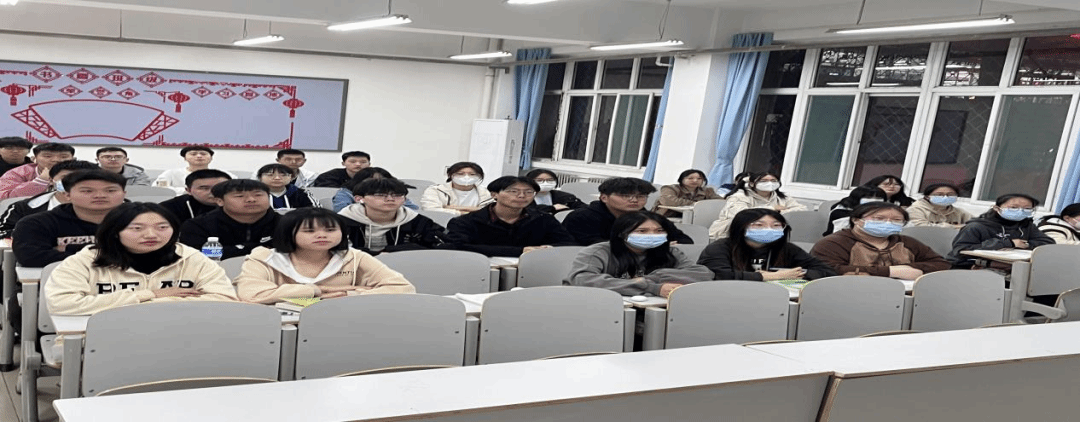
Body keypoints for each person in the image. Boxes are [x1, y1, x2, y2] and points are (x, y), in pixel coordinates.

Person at [45, 202, 239, 316]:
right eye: (137, 228)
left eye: (162, 227)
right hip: (104, 336)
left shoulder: (192, 258)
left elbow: (224, 299)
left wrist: (153, 302)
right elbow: (62, 303)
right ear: (115, 232)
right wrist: (149, 294)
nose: (151, 235)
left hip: (180, 332)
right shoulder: (85, 260)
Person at [234, 207, 415, 304]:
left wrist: (350, 294)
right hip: (278, 325)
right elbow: (251, 295)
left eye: (330, 230)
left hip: (343, 320)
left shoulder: (354, 256)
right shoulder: (263, 257)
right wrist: (318, 291)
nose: (322, 236)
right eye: (309, 231)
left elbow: (403, 288)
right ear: (288, 234)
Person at [564, 211, 714, 297]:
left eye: (659, 231)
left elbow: (703, 274)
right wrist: (651, 287)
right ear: (622, 233)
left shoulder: (670, 251)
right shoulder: (597, 252)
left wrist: (654, 278)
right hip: (598, 305)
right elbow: (583, 279)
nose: (652, 235)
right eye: (642, 231)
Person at [12, 170, 127, 267]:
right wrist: (117, 255)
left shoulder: (136, 220)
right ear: (67, 195)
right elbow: (30, 257)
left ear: (124, 194)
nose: (100, 195)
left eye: (110, 190)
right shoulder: (36, 223)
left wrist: (67, 249)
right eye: (87, 191)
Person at [444, 176, 577, 257]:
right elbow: (458, 246)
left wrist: (547, 249)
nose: (522, 196)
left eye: (529, 192)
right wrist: (520, 251)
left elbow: (569, 244)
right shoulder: (466, 221)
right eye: (513, 191)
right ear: (494, 194)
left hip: (532, 269)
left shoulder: (543, 219)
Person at [810, 202, 951, 279]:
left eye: (896, 220)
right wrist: (890, 271)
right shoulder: (833, 243)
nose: (888, 223)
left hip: (904, 294)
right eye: (879, 219)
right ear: (856, 220)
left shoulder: (907, 242)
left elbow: (941, 264)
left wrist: (910, 269)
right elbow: (825, 270)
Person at [698, 208, 837, 281]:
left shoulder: (787, 249)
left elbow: (828, 272)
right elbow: (717, 275)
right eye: (759, 225)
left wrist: (797, 273)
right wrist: (770, 276)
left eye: (776, 225)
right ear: (741, 227)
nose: (769, 229)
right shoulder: (719, 248)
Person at [562, 177, 693, 246]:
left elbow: (685, 240)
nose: (634, 200)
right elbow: (593, 245)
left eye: (641, 196)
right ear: (604, 197)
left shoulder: (652, 218)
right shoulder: (581, 217)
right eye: (625, 196)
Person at [339, 178, 446, 255]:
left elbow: (440, 247)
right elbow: (337, 251)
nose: (390, 199)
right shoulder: (340, 221)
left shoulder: (418, 221)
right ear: (359, 199)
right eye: (380, 195)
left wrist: (391, 252)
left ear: (405, 199)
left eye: (397, 195)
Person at [179, 179, 280, 260]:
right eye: (239, 196)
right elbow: (197, 257)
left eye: (258, 195)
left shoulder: (285, 223)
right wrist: (262, 248)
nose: (251, 199)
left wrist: (230, 250)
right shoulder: (197, 226)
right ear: (219, 201)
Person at [947, 194, 1055, 269]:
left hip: (1011, 265)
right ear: (997, 208)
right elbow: (961, 249)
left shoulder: (1026, 225)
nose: (1020, 211)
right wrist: (1009, 243)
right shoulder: (976, 226)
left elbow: (1048, 242)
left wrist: (1026, 244)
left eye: (1027, 208)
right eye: (1014, 207)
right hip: (968, 266)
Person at [0, 160, 98, 238]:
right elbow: (3, 232)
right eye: (66, 177)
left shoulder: (105, 207)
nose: (74, 182)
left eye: (83, 178)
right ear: (51, 180)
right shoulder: (24, 207)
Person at [709, 172, 807, 239]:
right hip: (734, 232)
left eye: (773, 180)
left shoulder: (781, 197)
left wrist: (780, 212)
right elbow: (741, 214)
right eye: (764, 181)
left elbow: (802, 209)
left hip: (770, 231)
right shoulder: (740, 196)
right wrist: (772, 209)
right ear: (752, 183)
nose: (769, 183)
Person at [0, 142, 75, 199]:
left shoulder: (80, 172)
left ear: (73, 159)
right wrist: (40, 181)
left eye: (63, 157)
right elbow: (5, 197)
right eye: (48, 156)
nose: (56, 160)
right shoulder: (17, 173)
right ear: (34, 159)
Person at [158, 169, 232, 224]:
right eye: (204, 188)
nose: (213, 192)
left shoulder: (237, 203)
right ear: (188, 190)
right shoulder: (167, 209)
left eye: (219, 187)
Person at [421, 161, 492, 216]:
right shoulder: (436, 190)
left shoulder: (486, 192)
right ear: (450, 175)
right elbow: (430, 209)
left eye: (472, 174)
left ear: (479, 176)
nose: (466, 177)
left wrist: (452, 207)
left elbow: (491, 212)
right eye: (460, 174)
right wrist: (464, 212)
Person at [332, 167, 419, 212]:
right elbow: (340, 210)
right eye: (373, 181)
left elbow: (414, 210)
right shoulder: (346, 192)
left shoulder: (395, 194)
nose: (378, 184)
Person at [651, 169, 723, 218]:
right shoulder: (670, 188)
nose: (695, 180)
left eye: (699, 178)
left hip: (696, 217)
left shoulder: (707, 190)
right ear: (681, 179)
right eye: (690, 178)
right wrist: (696, 204)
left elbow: (720, 201)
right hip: (667, 216)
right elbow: (668, 201)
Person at [823, 186, 888, 235]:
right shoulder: (841, 212)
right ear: (857, 198)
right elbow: (841, 235)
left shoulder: (883, 211)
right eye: (868, 197)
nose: (874, 200)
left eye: (879, 198)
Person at [906, 183, 972, 228]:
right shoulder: (915, 209)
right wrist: (953, 227)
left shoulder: (958, 212)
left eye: (950, 194)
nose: (945, 197)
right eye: (939, 195)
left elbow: (974, 223)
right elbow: (921, 227)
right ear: (927, 196)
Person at [154, 146, 220, 188]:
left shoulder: (220, 174)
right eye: (193, 154)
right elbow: (159, 187)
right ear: (185, 158)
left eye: (203, 154)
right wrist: (184, 191)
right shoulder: (171, 173)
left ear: (211, 158)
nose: (199, 156)